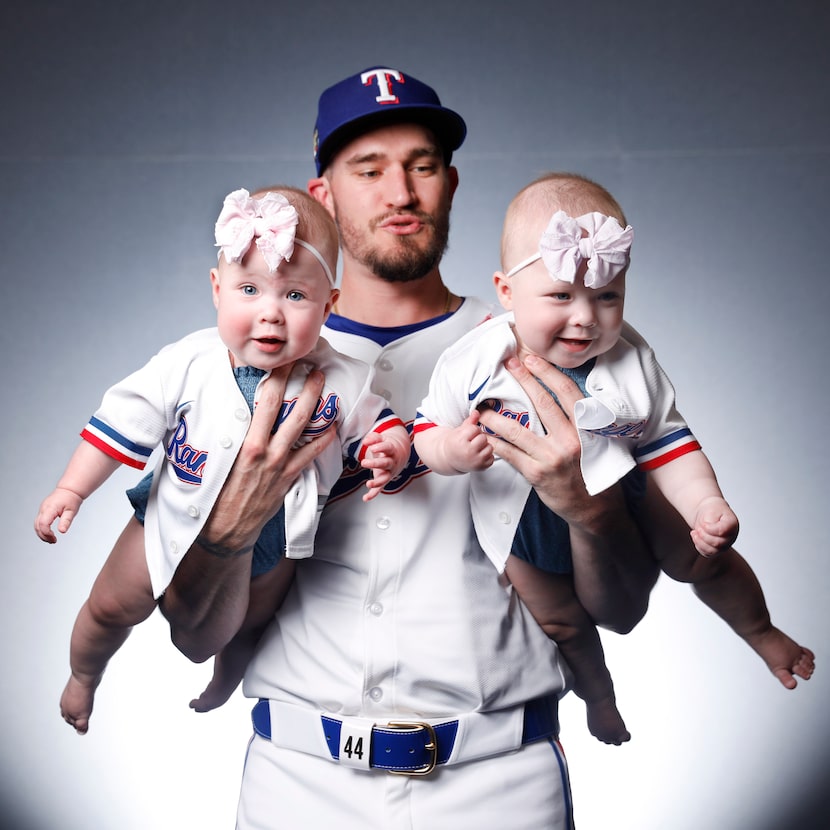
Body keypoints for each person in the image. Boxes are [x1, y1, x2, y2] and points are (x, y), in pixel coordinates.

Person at [157, 68, 660, 830]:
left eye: (422, 166)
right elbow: (192, 634)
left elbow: (621, 609)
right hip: (299, 781)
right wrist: (231, 525)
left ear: (451, 184)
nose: (401, 192)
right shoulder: (229, 373)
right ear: (320, 196)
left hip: (500, 781)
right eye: (369, 169)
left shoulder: (553, 350)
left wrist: (588, 510)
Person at [413, 172, 814, 748]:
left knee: (703, 559)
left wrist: (707, 504)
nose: (586, 318)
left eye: (607, 297)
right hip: (516, 522)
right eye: (561, 296)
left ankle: (760, 628)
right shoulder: (475, 360)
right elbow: (427, 426)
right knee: (561, 624)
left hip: (622, 491)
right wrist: (450, 450)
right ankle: (598, 697)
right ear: (505, 291)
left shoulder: (629, 360)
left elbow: (669, 444)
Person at [34, 185, 410, 734]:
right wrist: (71, 490)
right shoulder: (187, 362)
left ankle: (226, 678)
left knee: (255, 625)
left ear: (331, 303)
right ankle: (83, 675)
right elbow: (120, 422)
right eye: (250, 289)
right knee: (109, 606)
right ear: (217, 290)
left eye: (295, 297)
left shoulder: (342, 377)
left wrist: (389, 446)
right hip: (166, 518)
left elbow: (375, 420)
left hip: (281, 538)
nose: (271, 314)